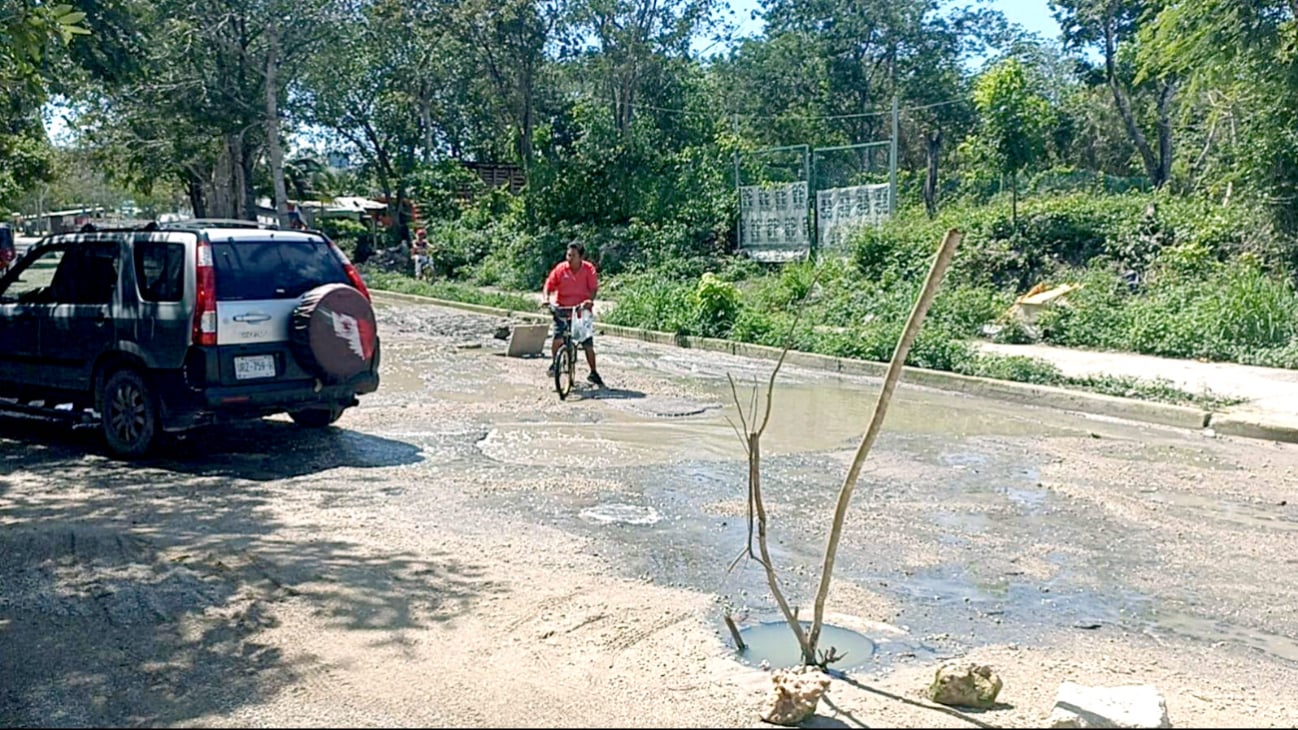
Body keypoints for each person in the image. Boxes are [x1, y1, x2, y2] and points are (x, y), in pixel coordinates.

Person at [542, 242, 603, 387]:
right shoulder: (560, 269)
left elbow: (593, 288)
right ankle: (555, 363)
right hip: (563, 307)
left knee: (587, 344)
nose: (569, 258)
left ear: (581, 257)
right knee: (557, 338)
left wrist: (590, 300)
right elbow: (548, 285)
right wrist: (546, 300)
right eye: (568, 255)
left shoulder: (588, 269)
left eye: (573, 256)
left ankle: (593, 372)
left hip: (581, 310)